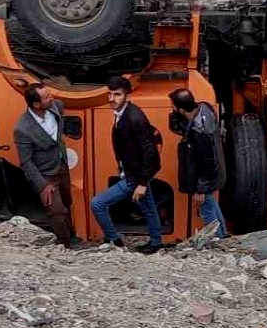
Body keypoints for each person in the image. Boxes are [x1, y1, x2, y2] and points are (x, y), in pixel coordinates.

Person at [90, 75, 164, 254]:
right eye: (110, 94)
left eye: (117, 95)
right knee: (149, 209)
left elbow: (149, 151)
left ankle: (114, 240)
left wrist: (142, 183)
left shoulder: (134, 118)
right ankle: (156, 243)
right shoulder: (125, 113)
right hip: (134, 172)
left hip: (135, 176)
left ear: (126, 96)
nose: (111, 99)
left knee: (97, 204)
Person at [13, 83, 74, 246]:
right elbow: (26, 161)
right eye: (47, 97)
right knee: (56, 211)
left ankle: (72, 235)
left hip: (61, 166)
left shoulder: (57, 107)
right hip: (45, 175)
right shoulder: (23, 128)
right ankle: (64, 244)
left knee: (67, 203)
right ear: (36, 104)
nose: (52, 98)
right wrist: (42, 185)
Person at [168, 88, 228, 238]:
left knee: (207, 210)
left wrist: (201, 188)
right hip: (215, 174)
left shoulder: (200, 132)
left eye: (173, 106)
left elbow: (208, 162)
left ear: (181, 110)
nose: (172, 109)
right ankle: (224, 234)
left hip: (206, 177)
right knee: (212, 204)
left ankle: (219, 240)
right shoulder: (205, 111)